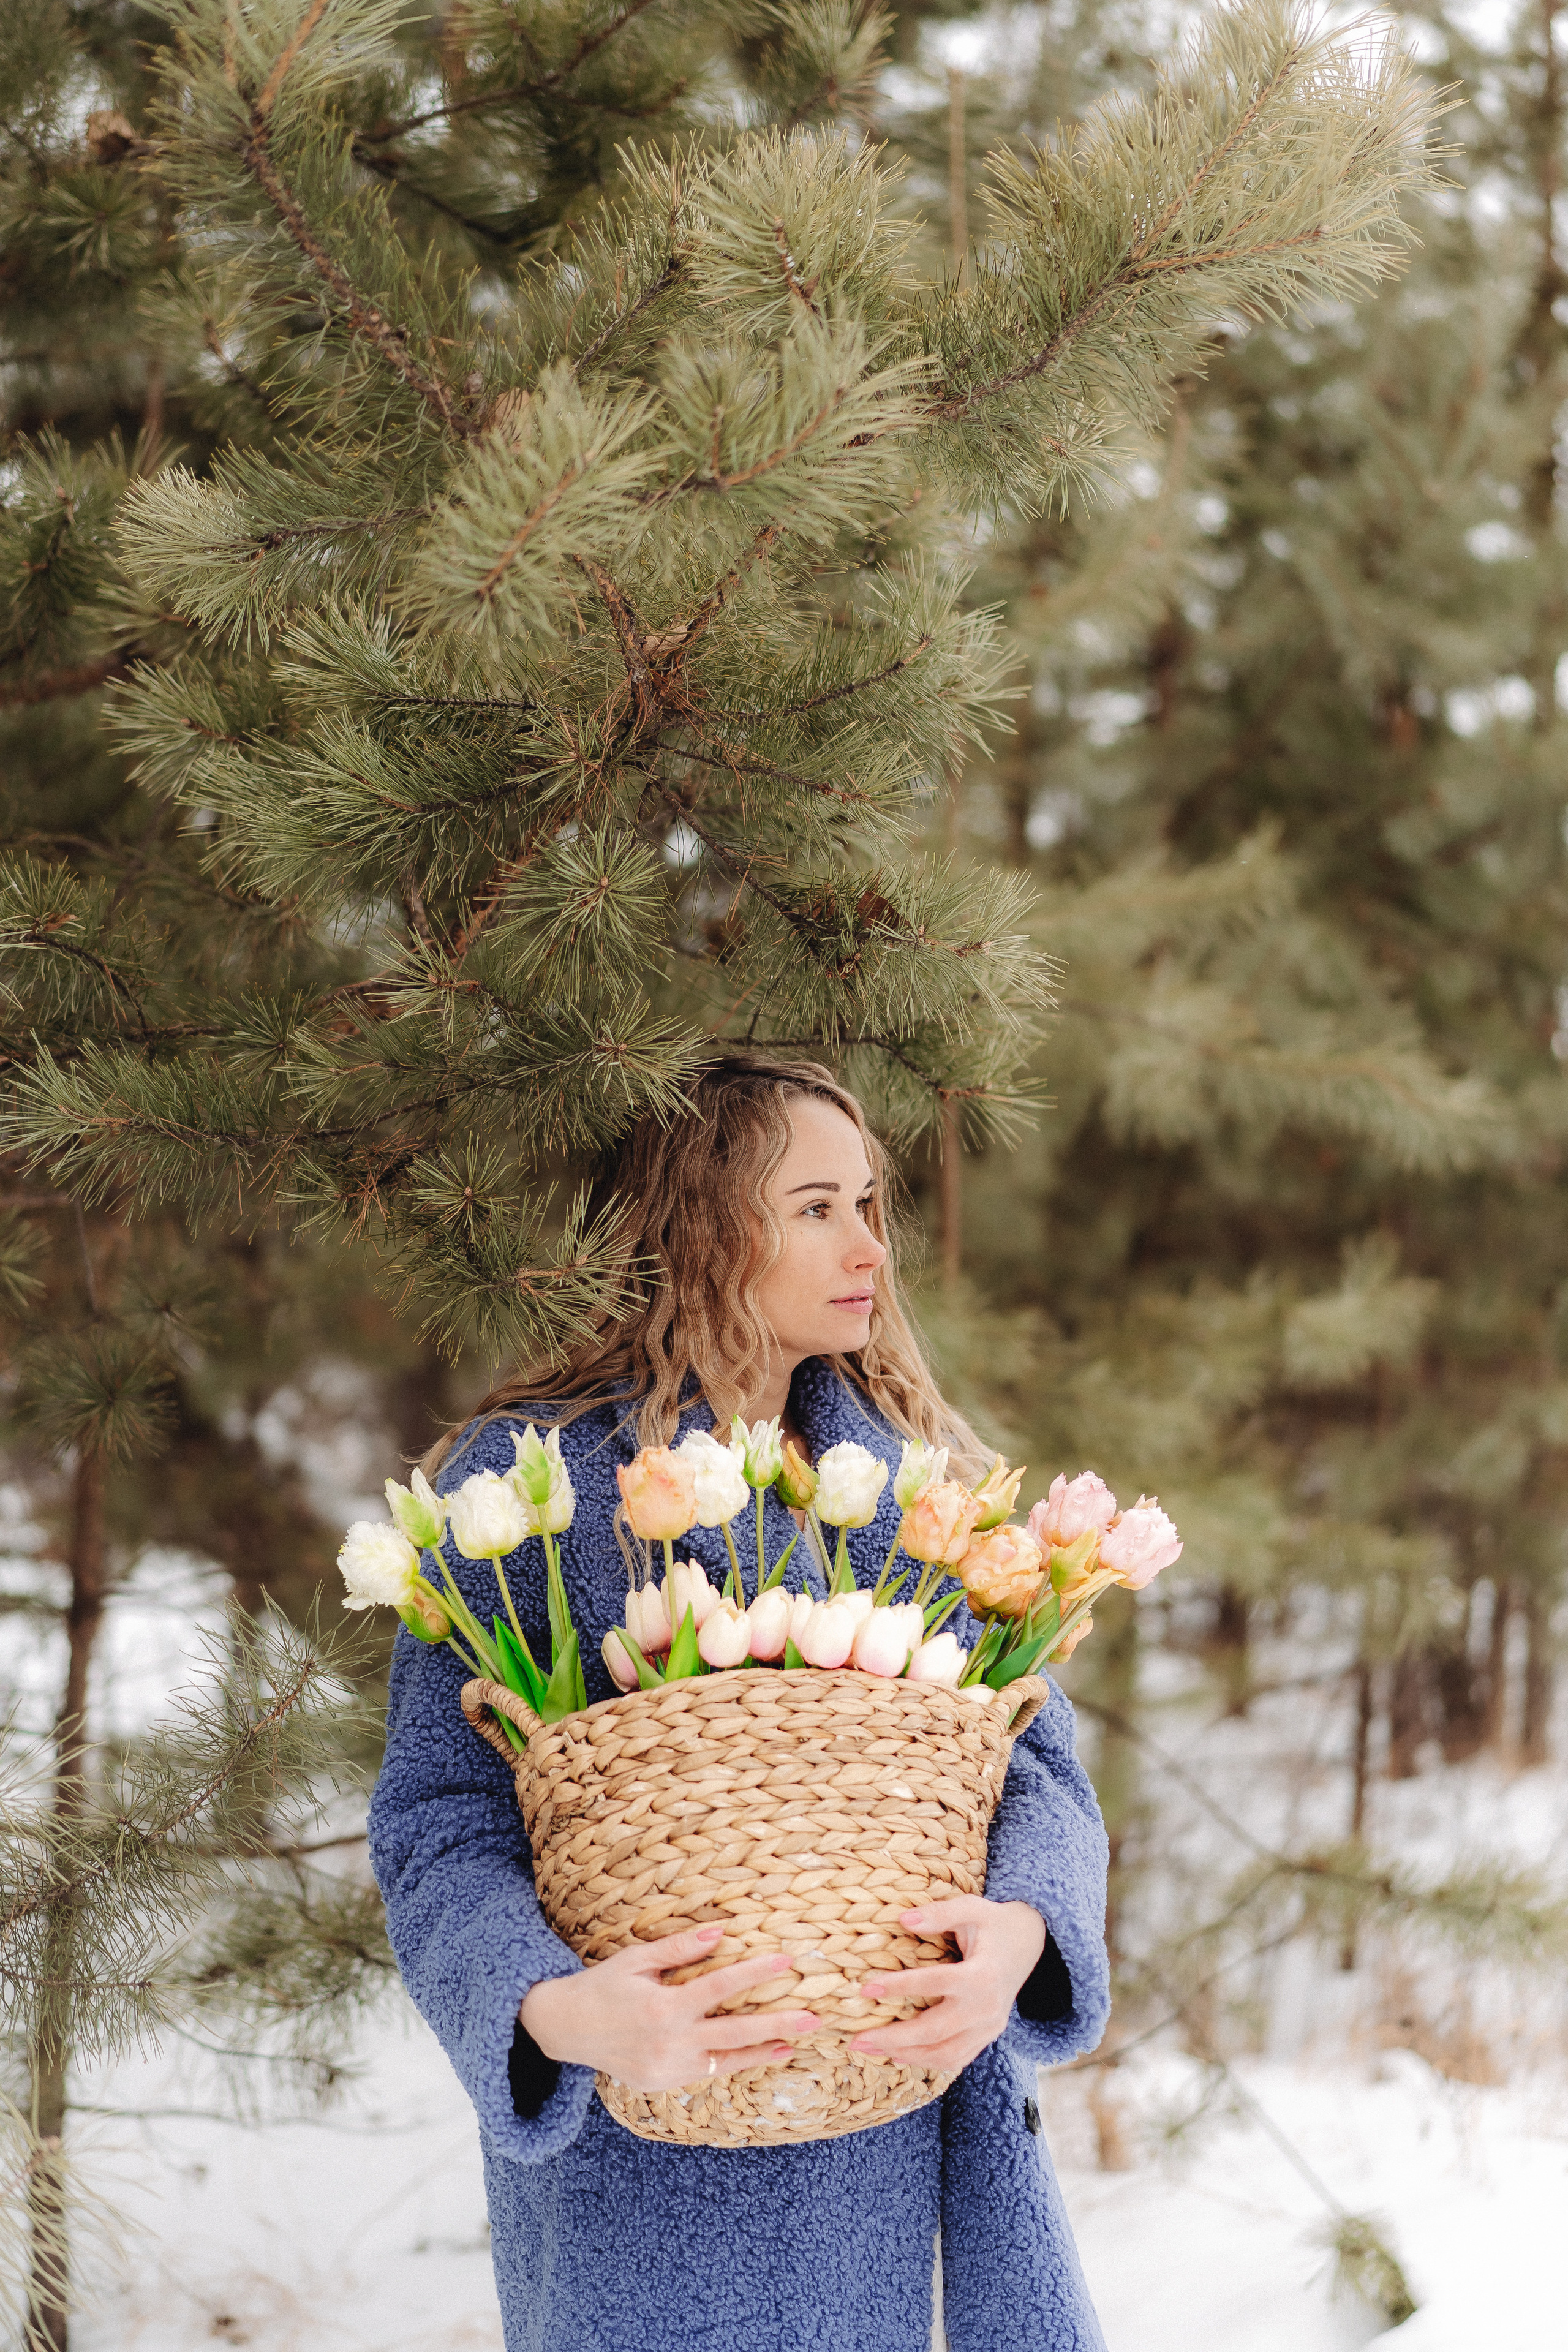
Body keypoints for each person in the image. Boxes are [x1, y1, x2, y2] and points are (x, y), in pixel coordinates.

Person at [368, 1054, 1110, 2352]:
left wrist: (1022, 1933)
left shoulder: (909, 1487)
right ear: (696, 1225)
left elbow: (1032, 1759)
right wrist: (556, 2010)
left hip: (895, 2129)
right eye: (815, 1207)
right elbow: (439, 1820)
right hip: (641, 2155)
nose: (868, 1246)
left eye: (870, 1205)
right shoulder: (532, 1492)